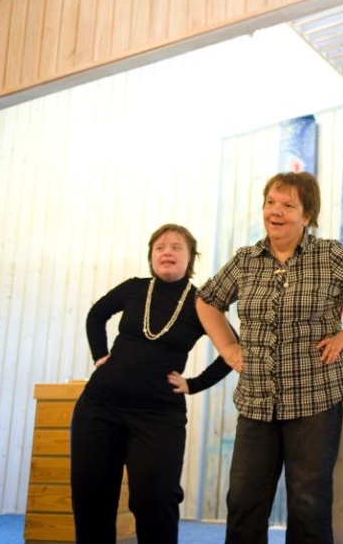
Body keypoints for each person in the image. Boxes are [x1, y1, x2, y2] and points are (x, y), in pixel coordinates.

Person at [196, 171, 343, 544]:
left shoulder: (329, 254)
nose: (275, 211)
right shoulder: (245, 260)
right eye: (270, 203)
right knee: (243, 500)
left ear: (307, 215)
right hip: (257, 400)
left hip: (315, 397)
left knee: (309, 503)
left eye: (288, 205)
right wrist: (229, 349)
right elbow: (207, 300)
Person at [70, 223, 234, 544]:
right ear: (151, 256)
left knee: (155, 499)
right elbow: (96, 315)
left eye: (176, 247)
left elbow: (233, 349)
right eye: (160, 248)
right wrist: (100, 354)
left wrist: (194, 384)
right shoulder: (135, 288)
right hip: (100, 407)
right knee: (92, 497)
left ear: (190, 258)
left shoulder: (201, 303)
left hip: (158, 416)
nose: (167, 252)